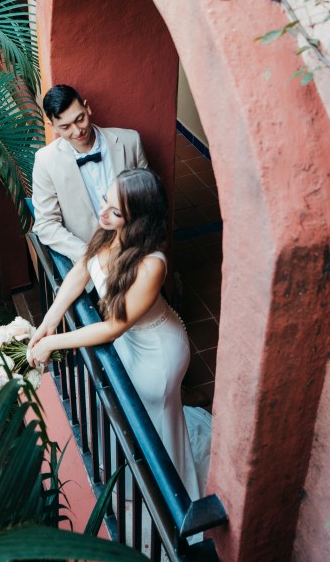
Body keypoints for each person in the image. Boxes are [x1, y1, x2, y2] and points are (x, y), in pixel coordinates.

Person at [27, 167, 206, 498]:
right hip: (128, 341)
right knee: (132, 415)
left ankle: (172, 498)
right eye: (106, 200)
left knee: (159, 427)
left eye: (116, 210)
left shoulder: (152, 264)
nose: (104, 212)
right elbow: (81, 271)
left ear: (138, 218)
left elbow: (113, 326)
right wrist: (48, 322)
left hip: (158, 355)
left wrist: (53, 342)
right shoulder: (110, 228)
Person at [32, 84, 147, 262]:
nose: (78, 131)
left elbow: (149, 201)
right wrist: (91, 256)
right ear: (52, 127)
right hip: (88, 259)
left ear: (87, 107)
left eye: (80, 118)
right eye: (65, 127)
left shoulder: (130, 141)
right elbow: (46, 224)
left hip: (137, 250)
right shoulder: (45, 161)